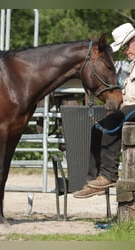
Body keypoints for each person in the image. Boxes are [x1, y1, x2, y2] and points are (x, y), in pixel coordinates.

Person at [74, 22, 135, 198]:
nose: (125, 51)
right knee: (97, 128)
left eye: (126, 46)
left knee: (113, 122)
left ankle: (109, 175)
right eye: (123, 48)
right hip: (129, 107)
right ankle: (92, 179)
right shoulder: (128, 65)